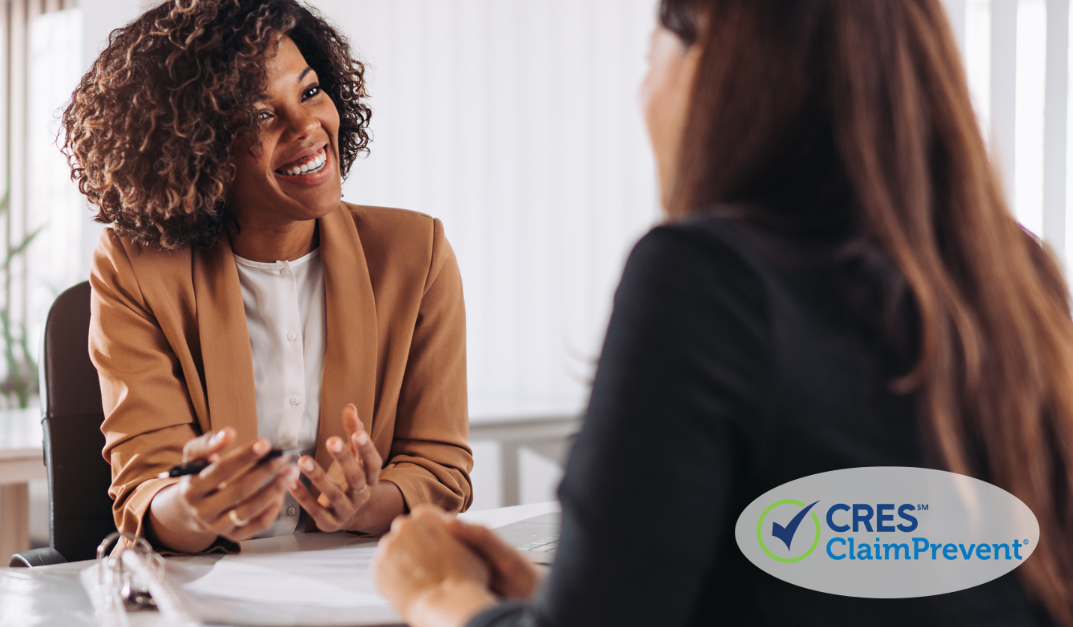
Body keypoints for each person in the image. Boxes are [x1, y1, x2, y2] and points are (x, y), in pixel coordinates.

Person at [371, 0, 1073, 625]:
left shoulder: (704, 277)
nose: (644, 92)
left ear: (714, 64)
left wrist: (439, 595)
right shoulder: (1018, 275)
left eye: (652, 59)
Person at [63, 0, 473, 554]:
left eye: (309, 92)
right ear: (198, 148)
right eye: (260, 115)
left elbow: (440, 466)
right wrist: (196, 506)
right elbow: (146, 487)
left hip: (360, 589)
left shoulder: (414, 254)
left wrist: (365, 503)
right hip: (209, 591)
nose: (307, 127)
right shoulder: (135, 267)